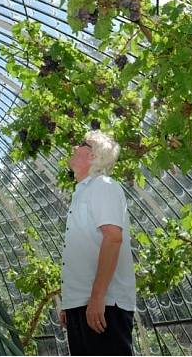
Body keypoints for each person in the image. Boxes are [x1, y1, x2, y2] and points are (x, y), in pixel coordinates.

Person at [59, 130, 136, 356]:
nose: (73, 147)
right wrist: (70, 303)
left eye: (81, 144)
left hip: (104, 305)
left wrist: (97, 297)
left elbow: (113, 238)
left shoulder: (103, 185)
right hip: (83, 304)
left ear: (93, 156)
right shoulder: (81, 193)